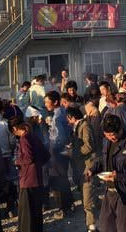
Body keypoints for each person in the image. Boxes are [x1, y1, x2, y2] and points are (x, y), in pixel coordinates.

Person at [87, 115, 126, 232]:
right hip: (109, 192)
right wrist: (93, 169)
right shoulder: (106, 142)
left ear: (120, 129)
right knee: (105, 227)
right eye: (107, 135)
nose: (110, 137)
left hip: (125, 193)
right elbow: (102, 159)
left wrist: (118, 176)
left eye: (112, 135)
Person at [10, 118, 50, 232]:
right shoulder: (33, 136)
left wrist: (17, 161)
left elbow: (28, 158)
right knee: (36, 211)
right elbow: (46, 155)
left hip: (27, 179)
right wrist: (38, 165)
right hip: (37, 178)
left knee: (27, 213)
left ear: (14, 128)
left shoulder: (24, 139)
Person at [66, 107, 98, 231]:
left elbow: (89, 146)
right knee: (89, 196)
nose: (68, 122)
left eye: (68, 119)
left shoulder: (85, 126)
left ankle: (92, 226)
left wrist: (73, 152)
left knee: (87, 199)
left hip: (88, 166)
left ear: (73, 118)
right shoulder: (78, 126)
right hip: (81, 166)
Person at [44, 91, 74, 219]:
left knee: (57, 180)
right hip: (64, 151)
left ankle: (63, 209)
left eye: (47, 102)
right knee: (64, 178)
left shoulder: (57, 117)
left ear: (55, 102)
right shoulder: (63, 112)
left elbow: (60, 137)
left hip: (57, 152)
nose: (46, 104)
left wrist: (53, 146)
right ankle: (69, 204)